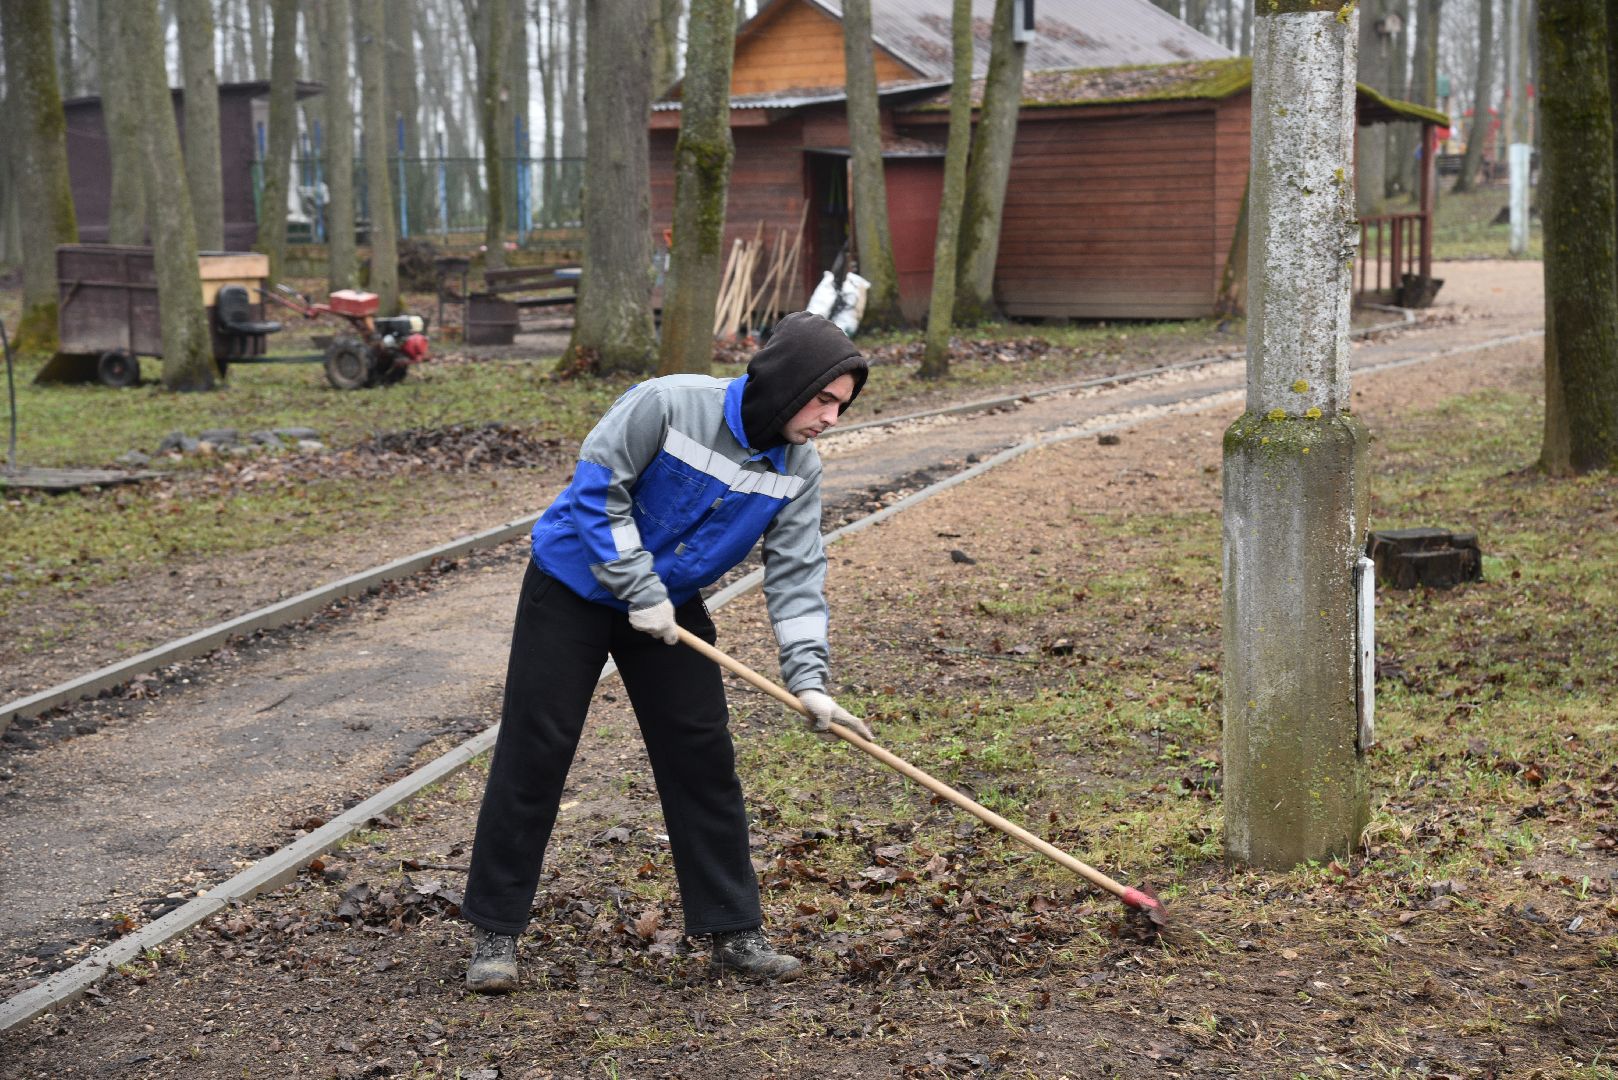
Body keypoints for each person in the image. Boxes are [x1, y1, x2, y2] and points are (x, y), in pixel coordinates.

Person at [461, 312, 876, 993]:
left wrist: (811, 681)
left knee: (702, 754)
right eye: (825, 400)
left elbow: (798, 575)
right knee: (538, 747)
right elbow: (597, 490)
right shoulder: (667, 404)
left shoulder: (798, 469)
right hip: (573, 583)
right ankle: (495, 932)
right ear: (788, 383)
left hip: (666, 607)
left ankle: (733, 931)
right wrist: (635, 586)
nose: (832, 418)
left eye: (843, 407)